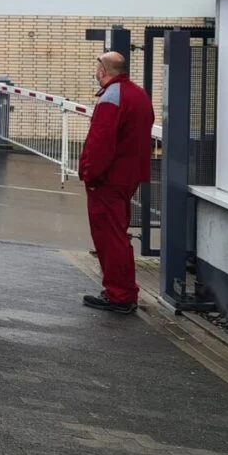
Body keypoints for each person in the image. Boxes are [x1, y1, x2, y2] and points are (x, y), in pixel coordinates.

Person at [78, 51, 154, 314]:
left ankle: (119, 295)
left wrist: (90, 174)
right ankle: (122, 291)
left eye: (97, 69)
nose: (96, 73)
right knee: (118, 234)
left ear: (103, 71)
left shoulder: (111, 97)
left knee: (110, 238)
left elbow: (101, 142)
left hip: (108, 180)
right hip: (128, 177)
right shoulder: (139, 95)